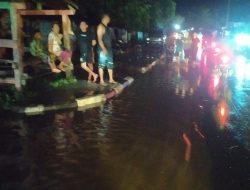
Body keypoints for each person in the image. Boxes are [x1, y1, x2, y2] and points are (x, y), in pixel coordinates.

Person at [97, 14, 117, 85]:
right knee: (101, 65)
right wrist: (104, 48)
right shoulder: (100, 26)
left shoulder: (107, 27)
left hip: (109, 49)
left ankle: (111, 79)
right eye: (108, 17)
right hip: (103, 50)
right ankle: (101, 81)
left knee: (110, 65)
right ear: (104, 18)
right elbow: (99, 40)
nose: (109, 19)